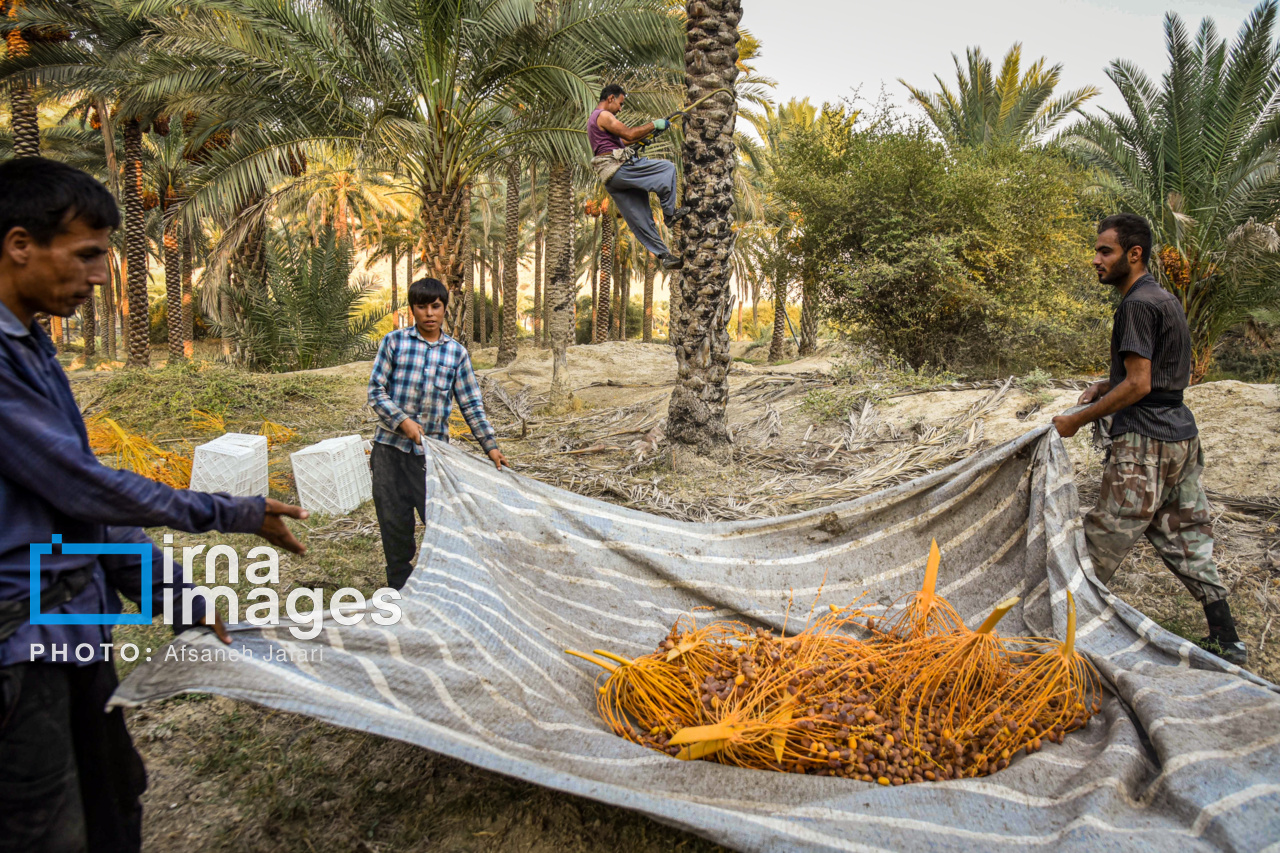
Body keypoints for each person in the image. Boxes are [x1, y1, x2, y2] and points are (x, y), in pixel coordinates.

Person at [0, 157, 310, 853]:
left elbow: (87, 514)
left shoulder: (34, 348)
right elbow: (85, 486)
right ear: (20, 244)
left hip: (69, 628)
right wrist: (232, 512)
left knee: (115, 799)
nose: (98, 276)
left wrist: (176, 597)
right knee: (44, 827)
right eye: (85, 256)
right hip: (16, 653)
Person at [1053, 213, 1247, 666]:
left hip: (1144, 446)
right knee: (1187, 538)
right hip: (1181, 435)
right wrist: (1107, 383)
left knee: (1099, 545)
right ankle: (1227, 639)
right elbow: (1156, 377)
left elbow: (1139, 385)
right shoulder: (1165, 298)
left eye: (1106, 251)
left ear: (1133, 254)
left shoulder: (1136, 305)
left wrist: (1079, 418)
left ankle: (1058, 638)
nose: (1096, 259)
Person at [368, 278, 507, 589]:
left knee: (440, 523)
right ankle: (400, 591)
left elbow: (471, 404)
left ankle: (441, 586)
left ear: (445, 309)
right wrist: (402, 421)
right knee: (394, 526)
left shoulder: (456, 354)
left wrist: (491, 447)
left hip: (430, 458)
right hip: (389, 452)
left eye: (435, 306)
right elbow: (376, 392)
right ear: (412, 309)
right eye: (422, 306)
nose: (429, 313)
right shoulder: (394, 343)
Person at [588, 84, 689, 271]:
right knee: (667, 168)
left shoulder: (595, 120)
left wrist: (649, 134)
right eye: (620, 103)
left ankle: (664, 256)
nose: (620, 109)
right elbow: (628, 133)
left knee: (640, 216)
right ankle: (670, 215)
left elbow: (625, 140)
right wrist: (654, 124)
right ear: (610, 98)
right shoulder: (603, 115)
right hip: (618, 169)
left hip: (612, 179)